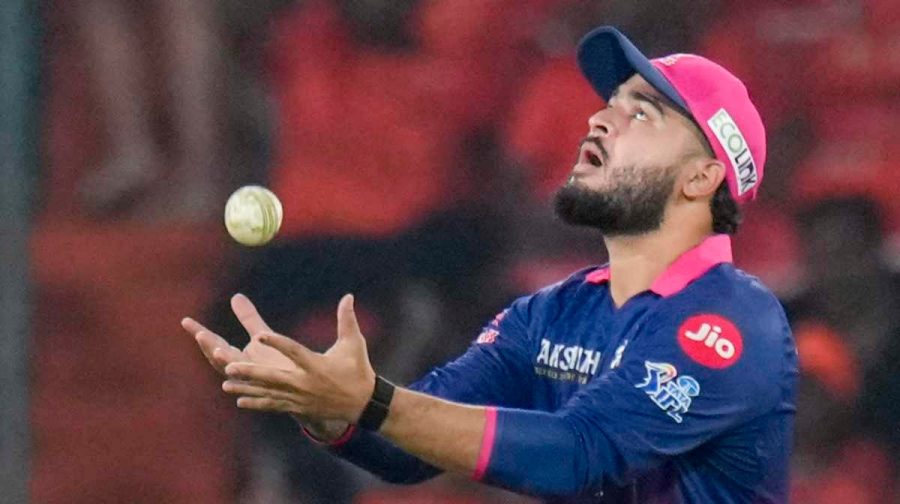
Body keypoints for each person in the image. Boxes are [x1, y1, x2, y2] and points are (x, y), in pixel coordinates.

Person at [183, 26, 797, 503]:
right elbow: (407, 449)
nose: (600, 117)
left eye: (641, 113)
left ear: (702, 177)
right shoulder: (551, 313)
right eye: (611, 102)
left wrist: (373, 402)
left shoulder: (729, 323)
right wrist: (324, 406)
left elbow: (577, 454)